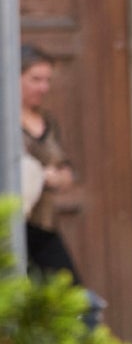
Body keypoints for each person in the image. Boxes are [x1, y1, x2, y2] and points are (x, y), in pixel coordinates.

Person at [20, 45, 79, 281]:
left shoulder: (48, 121)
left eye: (47, 80)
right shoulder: (5, 122)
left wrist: (62, 177)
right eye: (35, 79)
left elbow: (64, 166)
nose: (43, 87)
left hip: (43, 224)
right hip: (13, 224)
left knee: (73, 300)